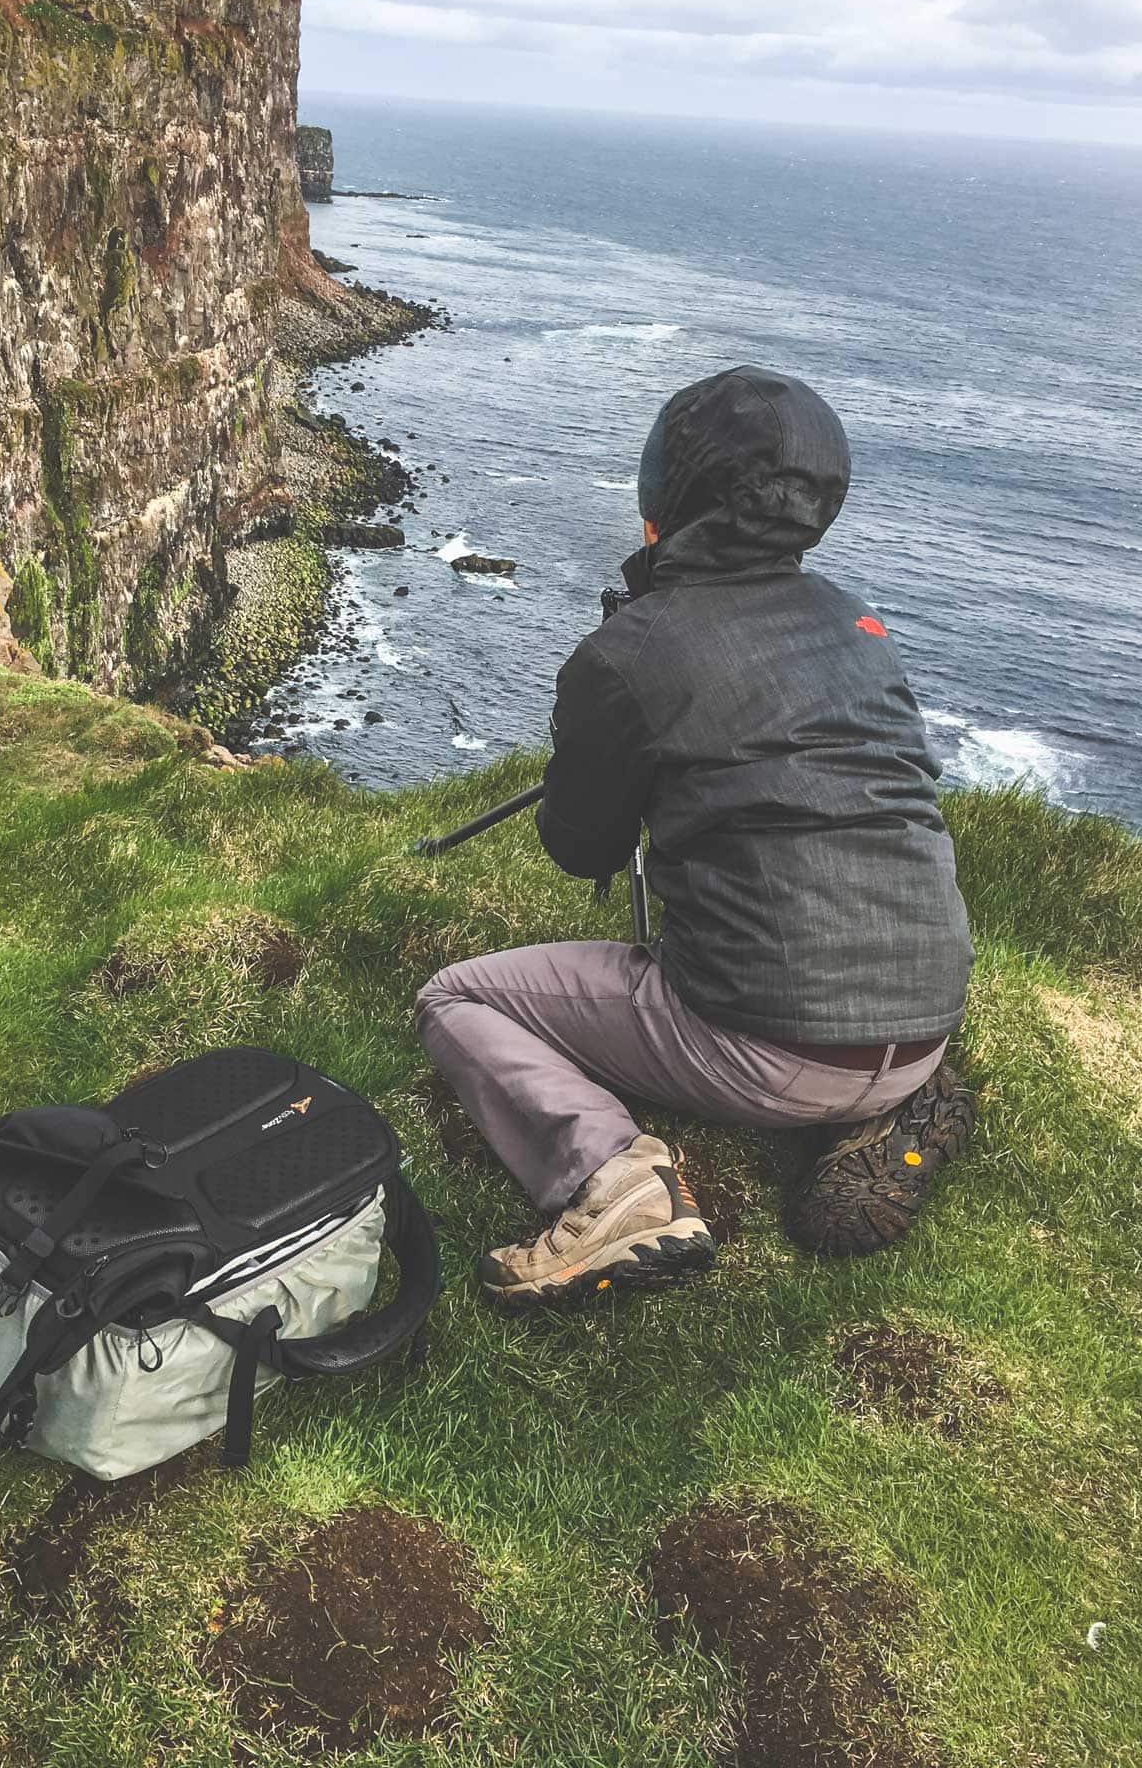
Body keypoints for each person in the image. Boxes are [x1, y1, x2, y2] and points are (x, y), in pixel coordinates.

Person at [415, 366, 976, 1306]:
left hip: (766, 1047)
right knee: (824, 1005)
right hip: (925, 1020)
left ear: (670, 494)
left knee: (456, 999)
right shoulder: (856, 619)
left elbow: (582, 847)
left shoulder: (634, 650)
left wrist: (605, 729)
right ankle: (894, 1103)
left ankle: (617, 1183)